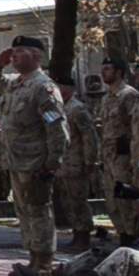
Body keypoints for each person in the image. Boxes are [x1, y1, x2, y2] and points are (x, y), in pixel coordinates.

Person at [0, 36, 68, 276]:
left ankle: (45, 263)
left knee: (40, 211)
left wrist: (52, 163)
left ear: (37, 57)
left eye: (20, 52)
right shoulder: (14, 84)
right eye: (14, 52)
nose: (15, 57)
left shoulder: (44, 87)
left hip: (36, 162)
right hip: (15, 161)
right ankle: (32, 259)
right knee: (24, 212)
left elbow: (57, 128)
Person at [99, 57, 139, 244]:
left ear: (119, 72)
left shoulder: (129, 95)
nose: (103, 72)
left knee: (125, 199)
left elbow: (136, 127)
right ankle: (122, 233)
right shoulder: (106, 97)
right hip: (109, 157)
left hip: (124, 156)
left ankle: (132, 236)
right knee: (111, 199)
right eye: (103, 68)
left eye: (108, 69)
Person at [56, 74, 99, 251]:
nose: (58, 91)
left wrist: (90, 161)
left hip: (76, 162)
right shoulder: (57, 108)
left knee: (78, 201)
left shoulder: (77, 109)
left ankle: (83, 237)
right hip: (61, 164)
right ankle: (76, 234)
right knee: (67, 202)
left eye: (62, 87)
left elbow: (89, 137)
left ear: (70, 89)